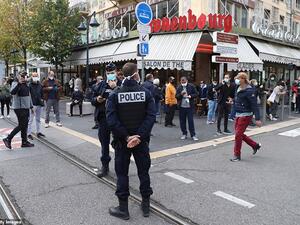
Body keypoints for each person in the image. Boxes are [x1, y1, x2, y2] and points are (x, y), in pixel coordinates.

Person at [106, 62, 155, 220]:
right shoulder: (146, 93)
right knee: (143, 172)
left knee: (122, 174)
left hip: (122, 142)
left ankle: (123, 209)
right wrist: (139, 136)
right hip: (141, 142)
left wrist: (127, 137)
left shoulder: (115, 95)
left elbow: (111, 120)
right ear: (136, 75)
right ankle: (146, 206)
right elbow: (151, 117)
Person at [91, 65, 117, 178]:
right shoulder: (101, 84)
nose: (110, 73)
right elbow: (92, 99)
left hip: (117, 119)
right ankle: (105, 166)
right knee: (104, 143)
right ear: (106, 73)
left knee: (119, 144)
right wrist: (97, 99)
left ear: (115, 72)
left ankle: (120, 166)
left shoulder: (121, 84)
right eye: (108, 71)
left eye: (112, 71)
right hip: (103, 118)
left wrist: (115, 87)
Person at [230, 72, 262, 162]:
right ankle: (255, 145)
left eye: (238, 78)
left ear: (243, 79)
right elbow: (236, 101)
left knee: (238, 135)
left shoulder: (249, 91)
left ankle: (237, 155)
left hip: (246, 115)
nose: (236, 80)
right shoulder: (237, 87)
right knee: (239, 134)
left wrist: (258, 118)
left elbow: (254, 105)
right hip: (238, 114)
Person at [2, 71, 34, 149]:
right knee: (22, 125)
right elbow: (12, 92)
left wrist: (31, 106)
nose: (24, 77)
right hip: (19, 108)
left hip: (26, 107)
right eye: (23, 76)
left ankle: (24, 142)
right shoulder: (15, 83)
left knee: (25, 125)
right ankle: (8, 138)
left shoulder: (26, 84)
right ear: (19, 76)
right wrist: (19, 83)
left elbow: (28, 96)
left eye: (25, 76)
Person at [176, 76, 199, 141]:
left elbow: (196, 93)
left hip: (189, 107)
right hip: (181, 107)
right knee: (182, 121)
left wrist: (190, 96)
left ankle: (193, 135)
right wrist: (181, 94)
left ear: (187, 81)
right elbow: (176, 96)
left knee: (190, 121)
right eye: (182, 82)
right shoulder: (179, 87)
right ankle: (184, 133)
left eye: (184, 81)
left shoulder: (191, 86)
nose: (183, 83)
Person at [27, 72, 45, 140]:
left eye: (36, 76)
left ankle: (38, 132)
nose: (35, 77)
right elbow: (28, 96)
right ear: (31, 77)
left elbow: (42, 93)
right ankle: (28, 133)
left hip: (39, 104)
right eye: (34, 76)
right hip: (33, 104)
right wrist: (30, 106)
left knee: (38, 119)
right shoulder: (29, 85)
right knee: (30, 120)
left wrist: (42, 100)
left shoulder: (40, 85)